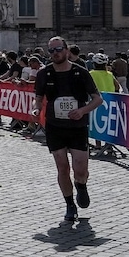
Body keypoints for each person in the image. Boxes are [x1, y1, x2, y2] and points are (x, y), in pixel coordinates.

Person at [32, 36, 104, 222]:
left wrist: (82, 111)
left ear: (66, 50)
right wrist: (36, 108)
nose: (55, 54)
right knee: (62, 167)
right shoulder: (43, 73)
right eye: (51, 51)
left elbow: (97, 99)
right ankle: (70, 205)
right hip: (55, 126)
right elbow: (38, 98)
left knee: (80, 169)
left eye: (58, 49)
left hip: (77, 127)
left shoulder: (80, 72)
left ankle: (81, 185)